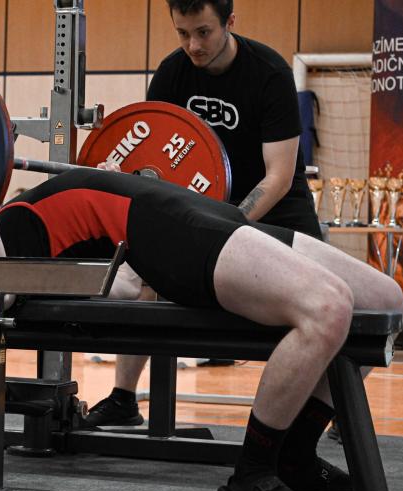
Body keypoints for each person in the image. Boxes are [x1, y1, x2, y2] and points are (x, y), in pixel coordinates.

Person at [0, 166, 403, 491]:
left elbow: (112, 284)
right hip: (166, 227)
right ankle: (252, 475)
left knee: (385, 299)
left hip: (188, 212)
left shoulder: (12, 220)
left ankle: (296, 456)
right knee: (328, 308)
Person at [83, 0, 326, 430]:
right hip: (203, 205)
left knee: (328, 300)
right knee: (149, 273)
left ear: (230, 22)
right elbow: (155, 157)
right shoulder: (171, 74)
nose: (193, 45)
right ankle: (123, 398)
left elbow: (278, 178)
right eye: (183, 33)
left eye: (204, 32)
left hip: (277, 207)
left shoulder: (269, 73)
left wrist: (225, 230)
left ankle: (329, 408)